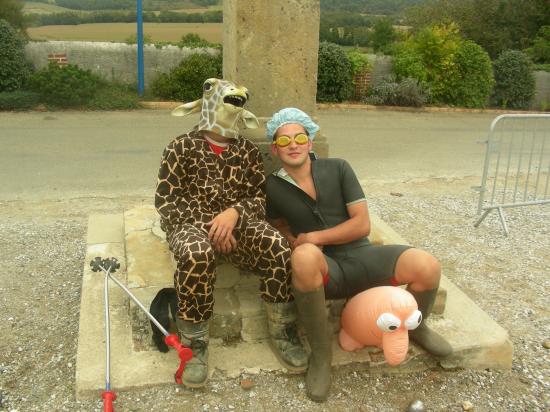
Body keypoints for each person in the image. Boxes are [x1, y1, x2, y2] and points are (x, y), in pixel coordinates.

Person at [265, 108, 453, 402]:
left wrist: (314, 236)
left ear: (310, 143)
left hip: (363, 257)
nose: (293, 144)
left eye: (300, 137)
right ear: (275, 149)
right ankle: (321, 355)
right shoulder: (272, 186)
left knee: (426, 265)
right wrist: (294, 240)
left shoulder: (338, 167)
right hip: (329, 270)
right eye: (284, 140)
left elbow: (361, 223)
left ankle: (417, 326)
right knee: (302, 256)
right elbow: (276, 223)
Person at [154, 80, 307, 388]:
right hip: (192, 229)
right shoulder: (179, 147)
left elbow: (258, 198)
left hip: (237, 228)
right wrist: (212, 226)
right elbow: (166, 203)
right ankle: (195, 344)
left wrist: (234, 215)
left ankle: (282, 330)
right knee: (196, 253)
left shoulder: (247, 152)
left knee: (277, 245)